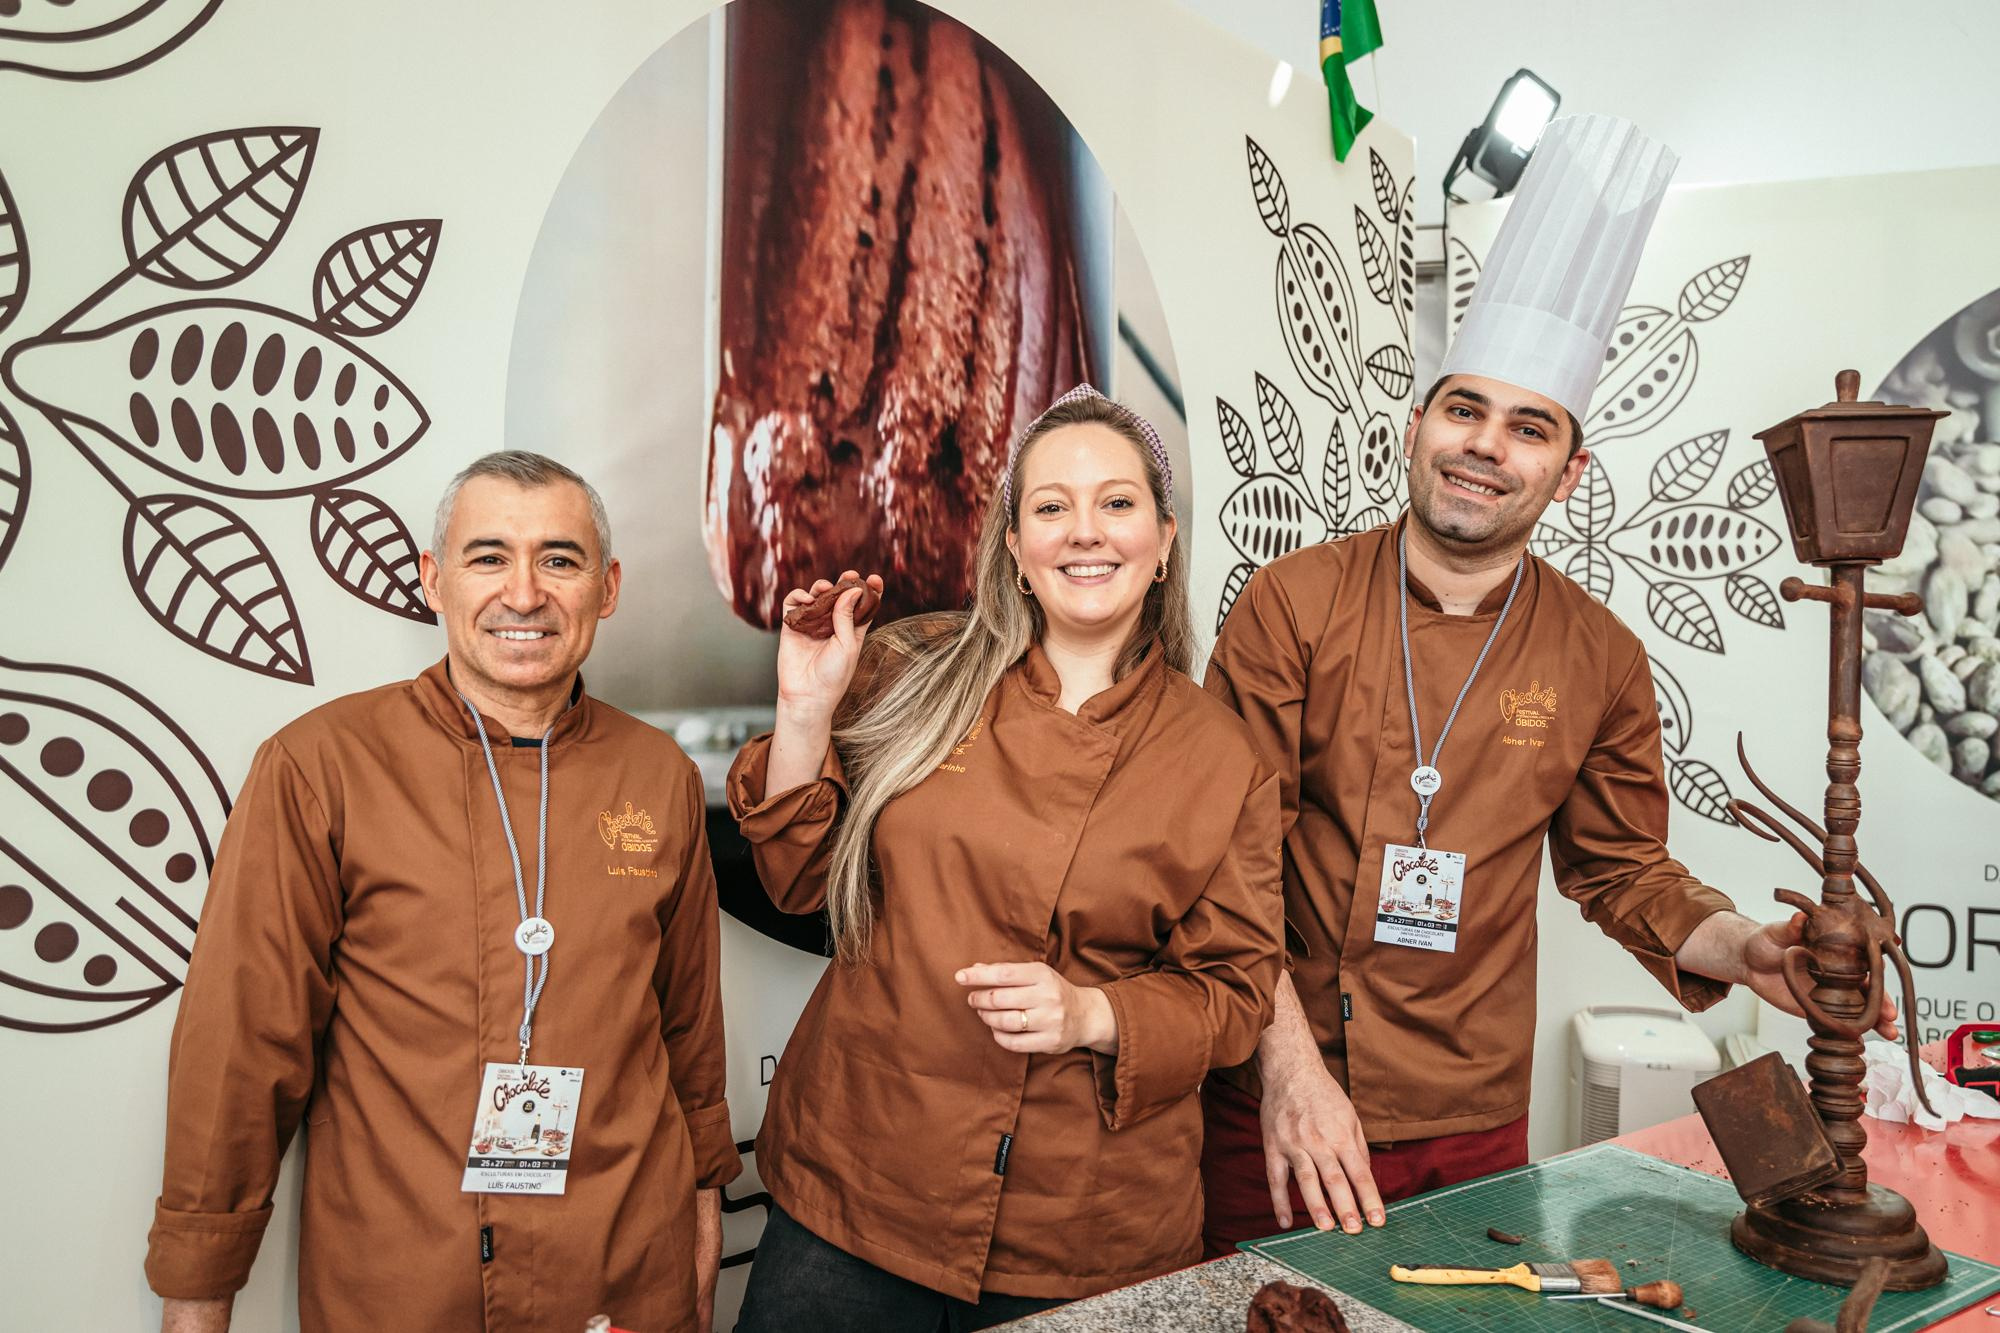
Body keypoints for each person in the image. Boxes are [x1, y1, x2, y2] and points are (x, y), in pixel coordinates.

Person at [1197, 115, 1898, 1253]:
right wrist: (1283, 1071)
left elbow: (1618, 866)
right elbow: (1223, 862)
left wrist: (1736, 945)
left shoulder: (1599, 654)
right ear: (1416, 425)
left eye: (1527, 428)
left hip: (1469, 1111)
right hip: (1275, 1090)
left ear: (1566, 473)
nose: (1485, 444)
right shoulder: (1291, 601)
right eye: (1463, 409)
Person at [727, 387, 1284, 1331]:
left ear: (1163, 539)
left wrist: (1093, 1011)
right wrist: (805, 709)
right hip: (859, 1193)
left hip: (1081, 1225)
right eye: (1051, 507)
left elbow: (1235, 991)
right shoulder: (914, 668)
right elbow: (795, 878)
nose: (1084, 532)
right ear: (1016, 549)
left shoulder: (1222, 755)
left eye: (1116, 503)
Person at [146, 452, 739, 1333]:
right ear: (434, 579)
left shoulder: (659, 773)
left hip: (621, 1281)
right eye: (489, 555)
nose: (526, 593)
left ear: (607, 588)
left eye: (561, 560)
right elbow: (241, 1050)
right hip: (403, 1288)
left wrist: (701, 1224)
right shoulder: (322, 767)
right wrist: (198, 1300)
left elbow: (689, 1035)